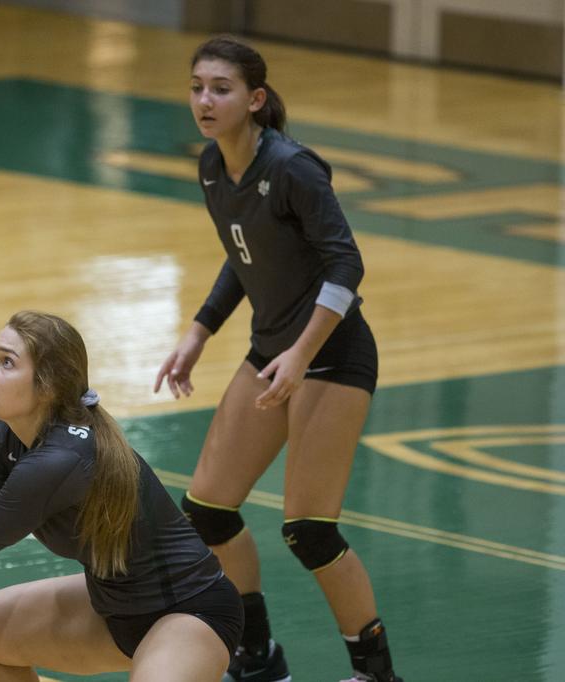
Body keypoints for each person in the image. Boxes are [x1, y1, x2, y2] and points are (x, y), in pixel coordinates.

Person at [154, 36, 401, 682]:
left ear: (255, 100)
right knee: (207, 512)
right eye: (197, 87)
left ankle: (375, 672)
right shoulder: (212, 166)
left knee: (309, 530)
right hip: (273, 354)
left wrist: (300, 354)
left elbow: (348, 264)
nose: (205, 101)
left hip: (333, 356)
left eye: (221, 89)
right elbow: (245, 256)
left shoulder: (293, 168)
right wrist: (199, 332)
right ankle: (257, 657)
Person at [0, 310, 244, 682]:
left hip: (189, 612)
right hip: (111, 611)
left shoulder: (61, 459)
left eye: (6, 362)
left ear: (48, 385)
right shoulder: (6, 437)